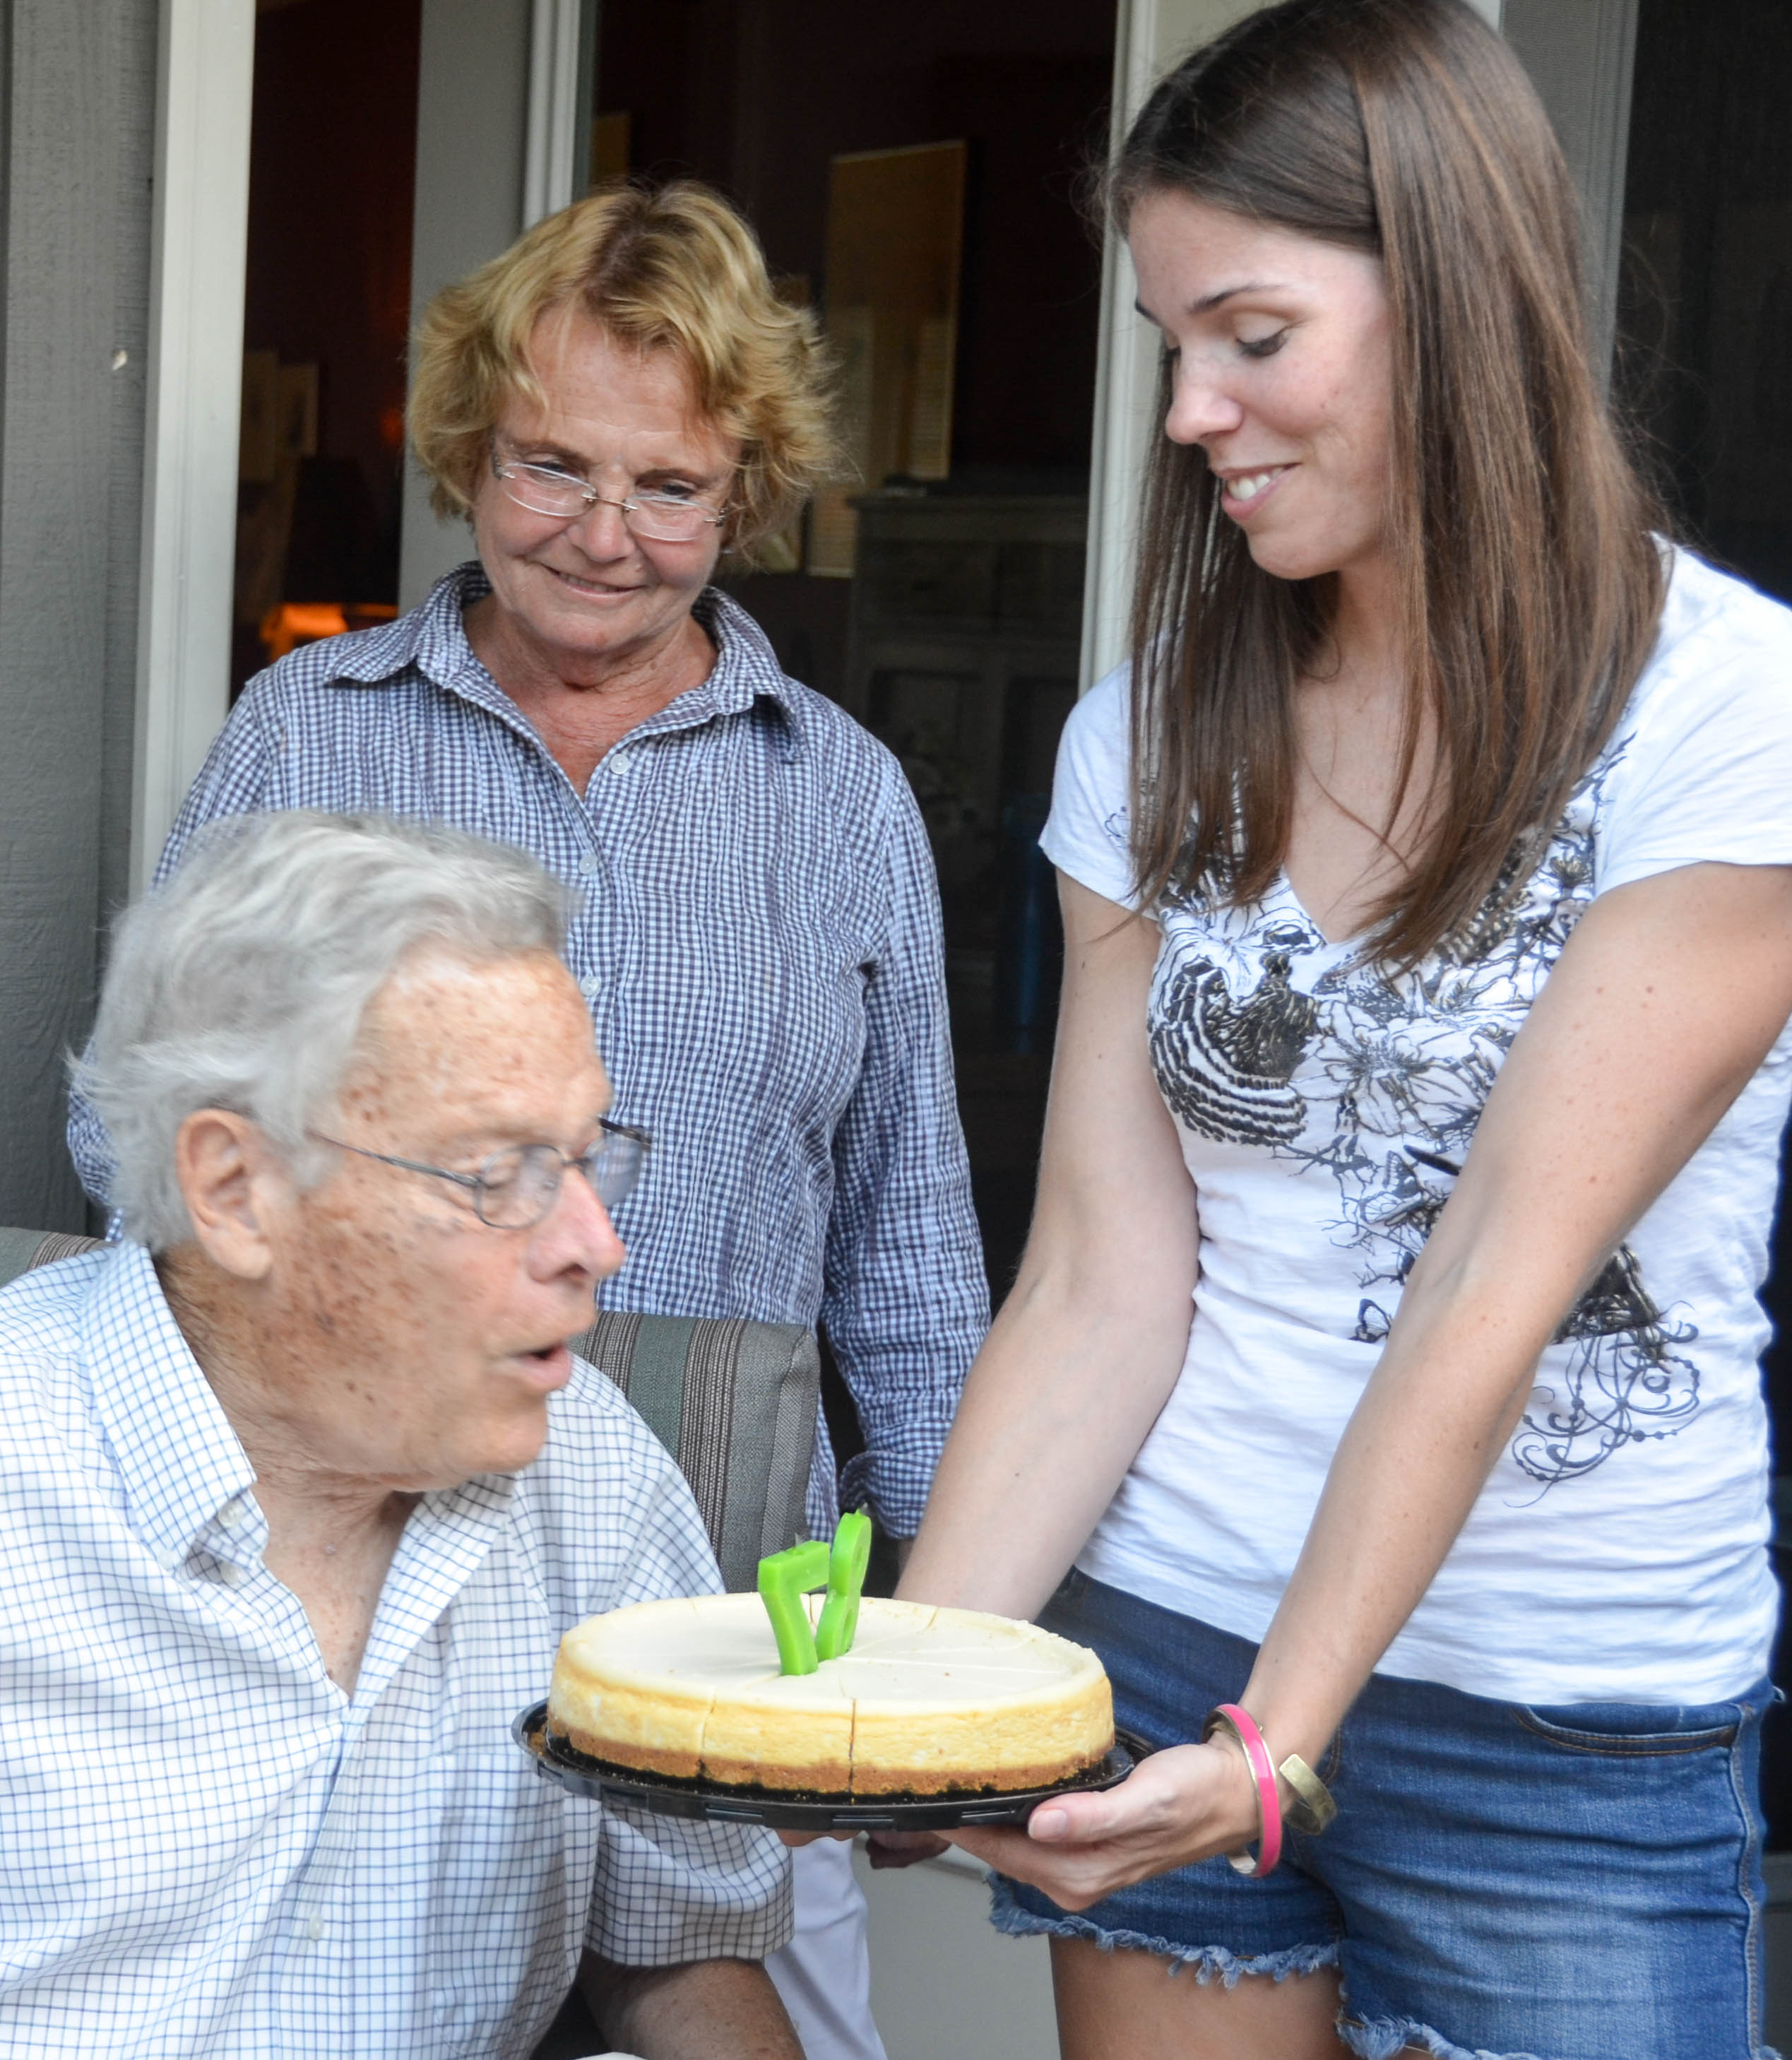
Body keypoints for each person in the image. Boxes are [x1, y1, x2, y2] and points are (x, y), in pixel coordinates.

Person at [895, 4, 1792, 2056]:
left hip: (1556, 1715)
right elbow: (1103, 1279)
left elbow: (1492, 1274)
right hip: (1175, 1613)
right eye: (1167, 344)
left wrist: (1281, 1743)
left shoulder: (1728, 713)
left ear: (1454, 301)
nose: (1193, 408)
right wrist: (910, 1705)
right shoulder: (1151, 727)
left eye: (1254, 334)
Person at [66, 180, 989, 2060]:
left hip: (737, 1577)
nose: (604, 534)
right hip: (342, 1537)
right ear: (475, 448)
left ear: (747, 492)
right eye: (553, 467)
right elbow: (137, 1125)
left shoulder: (844, 799)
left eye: (668, 486)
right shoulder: (309, 729)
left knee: (731, 1993)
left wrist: (939, 1640)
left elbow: (907, 1243)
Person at [3, 812, 800, 2058]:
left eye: (588, 1160)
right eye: (497, 1175)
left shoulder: (592, 1470)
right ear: (234, 1190)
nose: (594, 1243)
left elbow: (677, 1949)